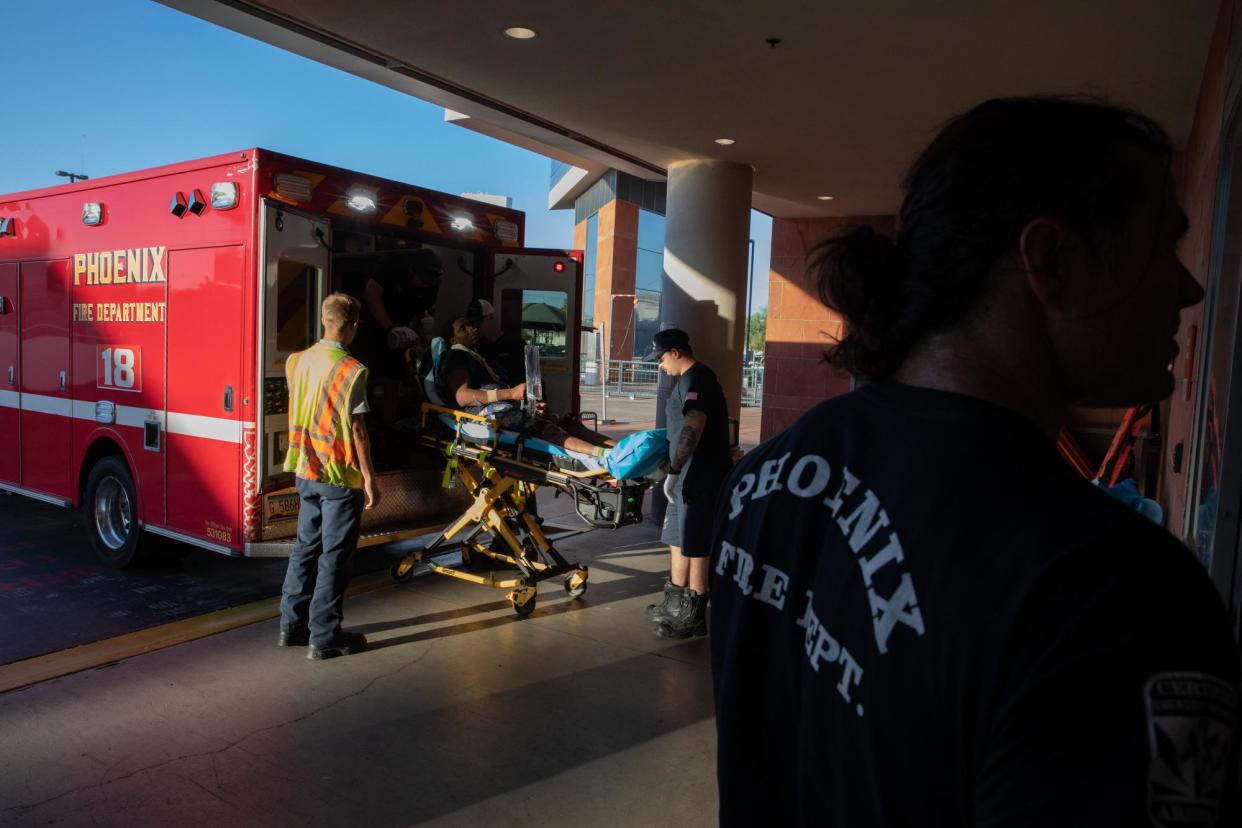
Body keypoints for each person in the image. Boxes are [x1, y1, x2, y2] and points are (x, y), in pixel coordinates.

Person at [710, 96, 1241, 826]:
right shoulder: (1114, 594)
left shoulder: (763, 479)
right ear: (1051, 261)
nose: (1190, 289)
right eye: (1164, 246)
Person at [278, 293, 379, 661]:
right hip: (339, 473)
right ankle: (324, 635)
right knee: (335, 556)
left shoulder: (296, 361)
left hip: (305, 467)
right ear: (351, 326)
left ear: (324, 320)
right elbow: (358, 431)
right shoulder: (352, 370)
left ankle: (291, 626)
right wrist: (369, 478)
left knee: (305, 547)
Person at [644, 328, 731, 639]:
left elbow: (695, 423)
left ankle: (693, 613)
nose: (659, 364)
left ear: (677, 352)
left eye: (661, 357)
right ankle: (674, 600)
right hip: (684, 477)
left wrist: (677, 469)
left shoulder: (698, 378)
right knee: (677, 537)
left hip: (699, 476)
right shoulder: (684, 381)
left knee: (696, 543)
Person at [437, 316, 613, 458]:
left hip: (503, 409)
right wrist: (511, 393)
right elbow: (462, 396)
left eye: (470, 325)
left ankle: (624, 449)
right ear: (452, 339)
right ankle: (606, 456)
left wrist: (528, 406)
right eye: (463, 329)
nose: (472, 329)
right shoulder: (456, 356)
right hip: (482, 416)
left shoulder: (477, 357)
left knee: (569, 425)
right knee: (545, 429)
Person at [358, 248, 442, 423]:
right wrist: (390, 327)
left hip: (401, 329)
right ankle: (360, 422)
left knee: (394, 375)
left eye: (427, 283)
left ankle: (388, 422)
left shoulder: (433, 282)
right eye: (421, 281)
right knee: (365, 373)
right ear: (412, 270)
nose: (423, 286)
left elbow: (425, 310)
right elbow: (371, 294)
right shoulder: (393, 264)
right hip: (374, 323)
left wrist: (425, 322)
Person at [467, 297, 527, 386]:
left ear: (491, 318)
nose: (475, 326)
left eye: (478, 321)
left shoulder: (515, 343)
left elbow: (527, 376)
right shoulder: (476, 347)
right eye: (471, 322)